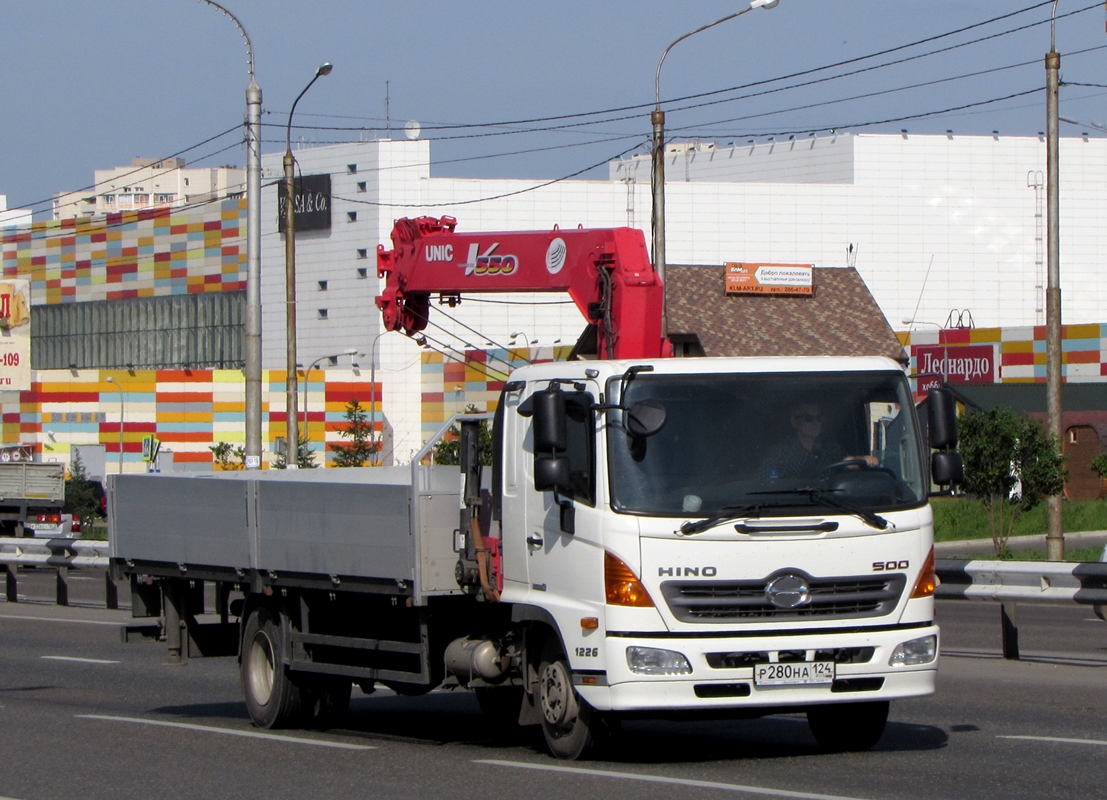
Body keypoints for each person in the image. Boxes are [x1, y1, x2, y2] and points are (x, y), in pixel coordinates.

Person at [759, 401, 877, 480]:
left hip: (829, 505)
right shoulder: (778, 453)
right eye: (808, 418)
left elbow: (848, 462)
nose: (816, 423)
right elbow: (762, 482)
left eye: (819, 418)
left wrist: (865, 459)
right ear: (794, 422)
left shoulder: (830, 448)